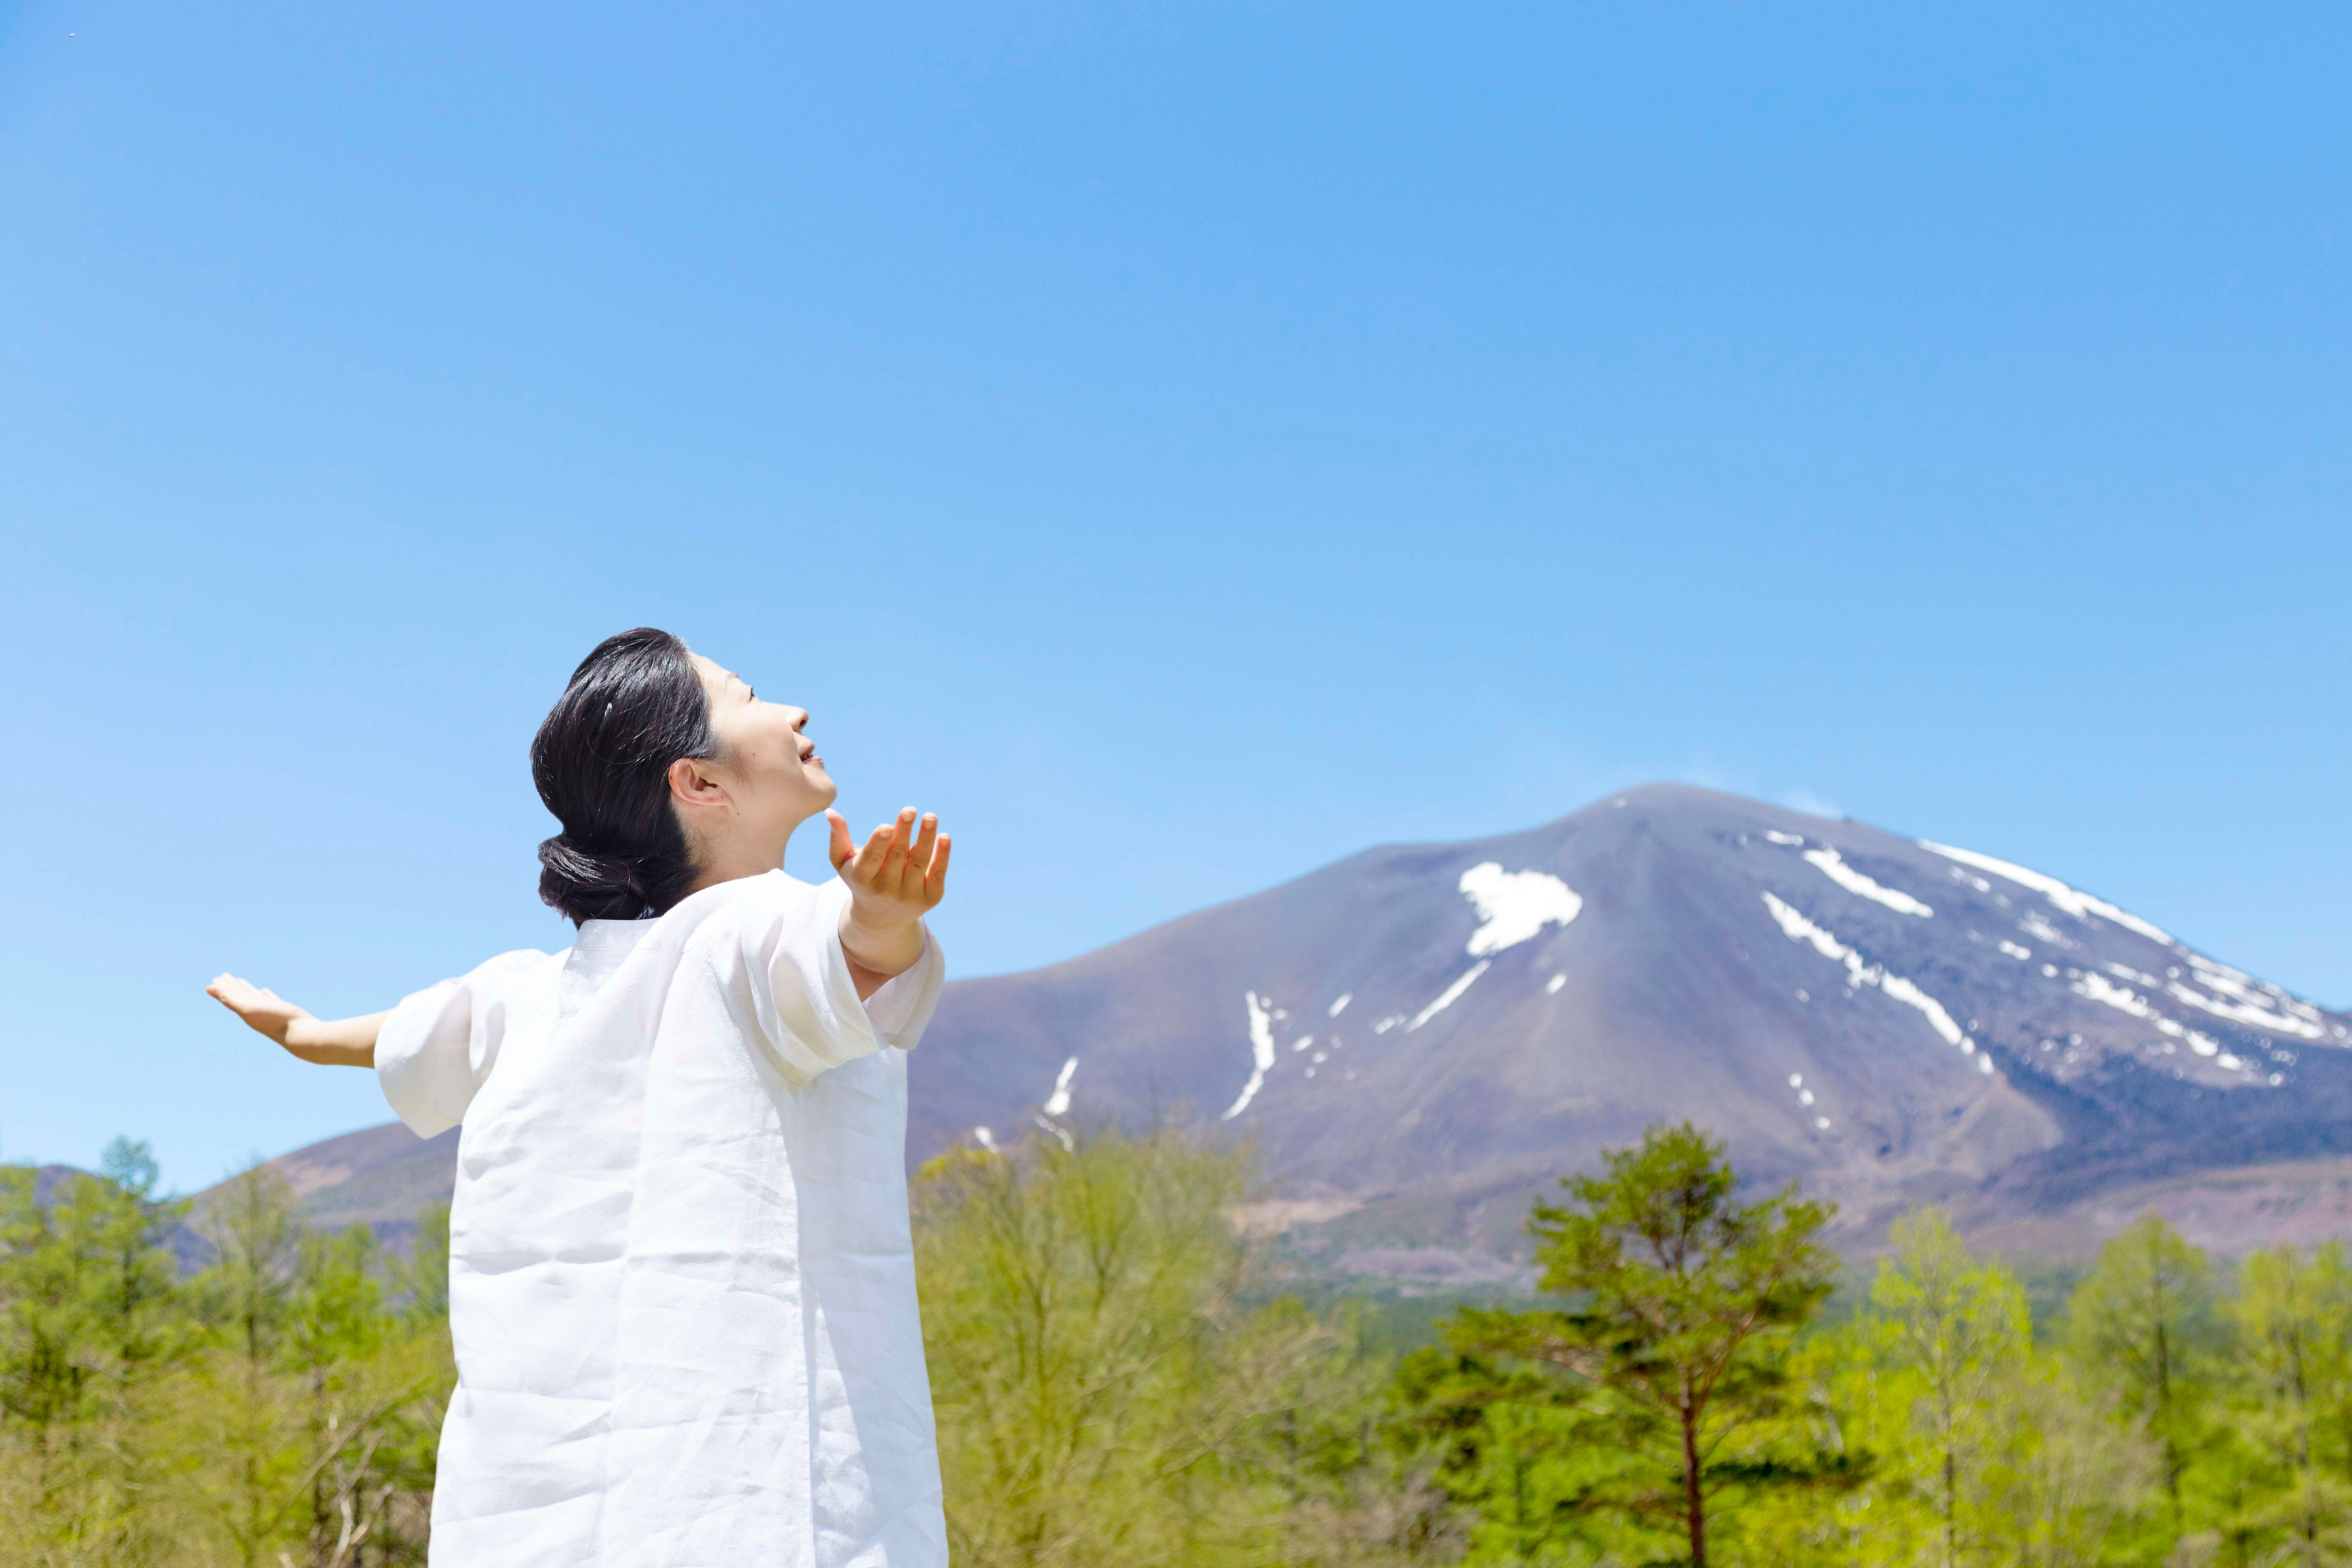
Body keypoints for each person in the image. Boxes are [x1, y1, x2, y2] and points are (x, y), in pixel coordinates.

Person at [205, 627, 953, 1567]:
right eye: (747, 694)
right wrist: (882, 922)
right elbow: (836, 959)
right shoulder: (748, 929)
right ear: (700, 783)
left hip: (535, 1515)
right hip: (743, 1504)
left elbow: (389, 1039)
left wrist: (300, 1031)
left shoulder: (530, 992)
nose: (793, 711)